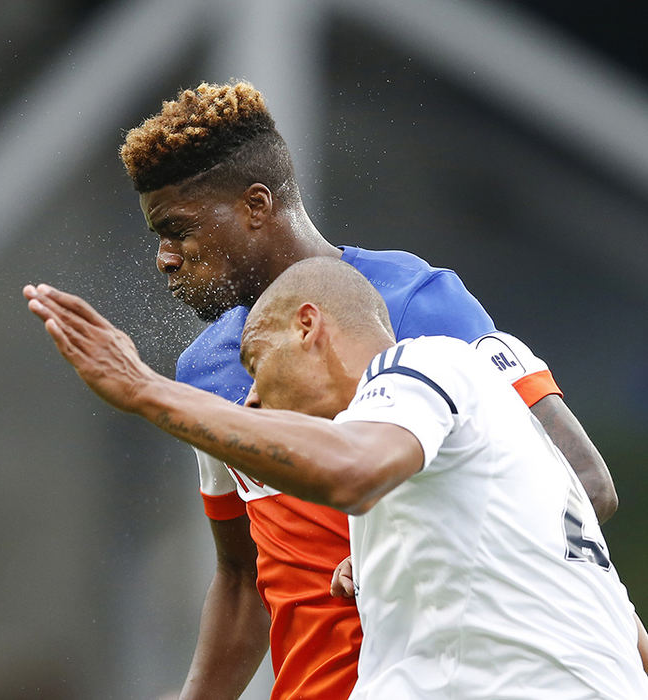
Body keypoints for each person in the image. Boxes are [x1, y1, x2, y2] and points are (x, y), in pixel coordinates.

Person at [113, 81, 617, 699]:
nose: (165, 257)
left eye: (178, 229)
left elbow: (582, 485)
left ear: (255, 205)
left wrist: (404, 555)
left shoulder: (415, 304)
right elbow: (243, 579)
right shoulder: (203, 375)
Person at [21, 260, 648, 697]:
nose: (253, 402)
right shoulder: (529, 476)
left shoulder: (423, 361)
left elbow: (351, 469)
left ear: (308, 326)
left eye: (255, 363)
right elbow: (629, 642)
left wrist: (147, 390)